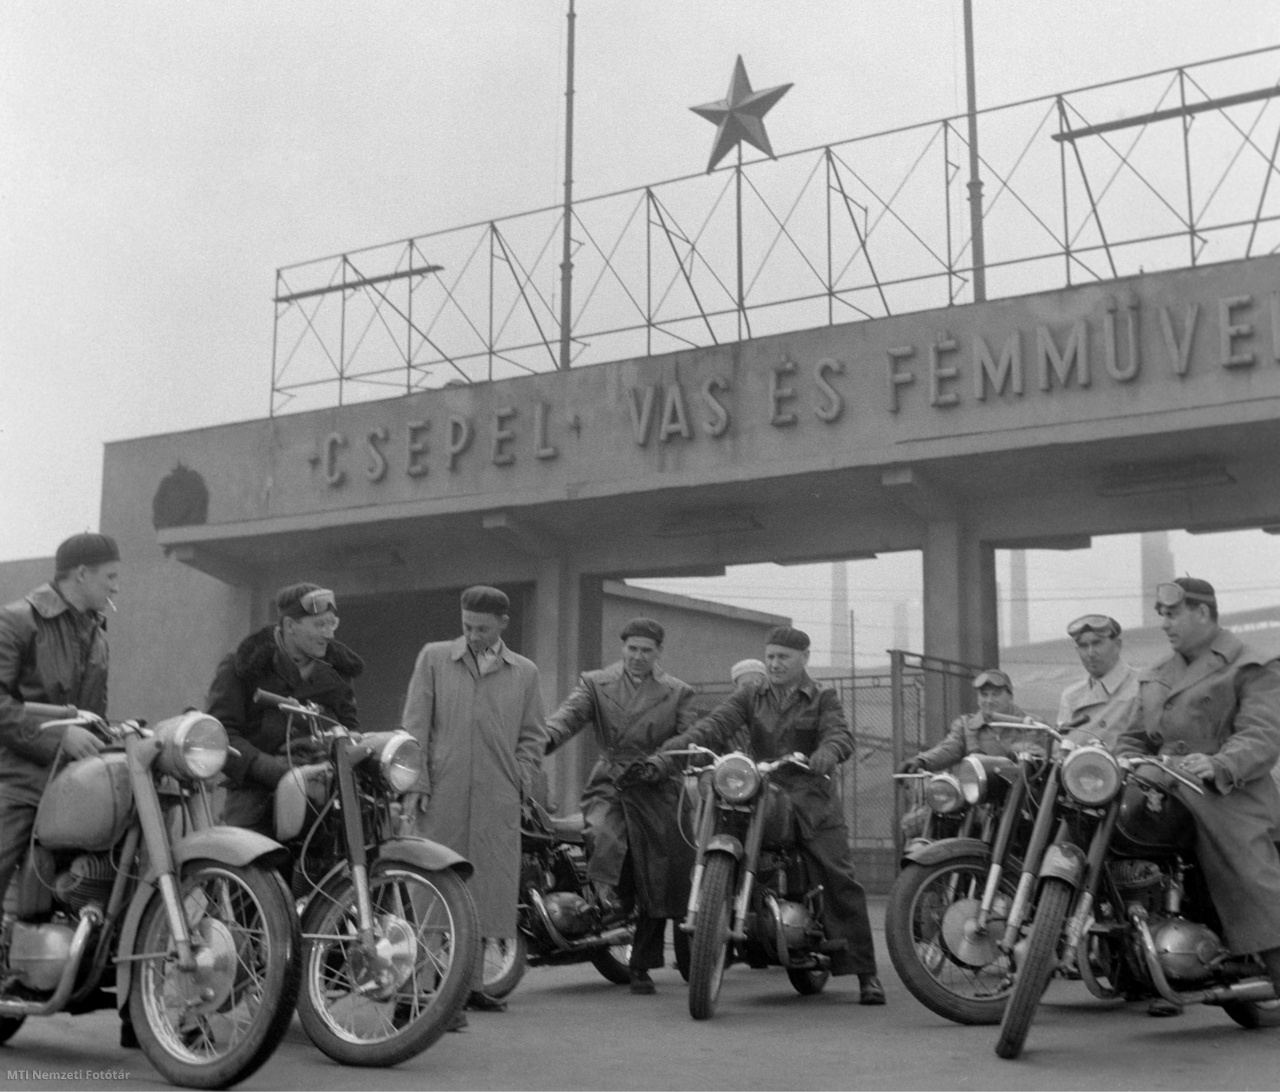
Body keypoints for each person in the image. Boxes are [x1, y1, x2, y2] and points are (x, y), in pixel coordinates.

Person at [659, 625, 886, 1005]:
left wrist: (828, 752)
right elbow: (714, 725)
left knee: (838, 875)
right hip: (759, 787)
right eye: (770, 657)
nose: (775, 664)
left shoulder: (822, 697)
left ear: (804, 659)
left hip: (809, 796)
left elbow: (839, 734)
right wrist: (675, 750)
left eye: (783, 657)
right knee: (712, 828)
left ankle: (866, 973)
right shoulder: (751, 694)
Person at [1115, 577, 1280, 1007]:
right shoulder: (1157, 674)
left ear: (1203, 613)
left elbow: (1263, 734)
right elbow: (1133, 737)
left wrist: (1221, 763)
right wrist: (1118, 758)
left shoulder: (1251, 663)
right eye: (1161, 615)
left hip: (1227, 791)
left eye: (1173, 614)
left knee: (1250, 872)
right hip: (1160, 786)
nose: (1165, 623)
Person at [401, 585, 547, 1018]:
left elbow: (534, 736)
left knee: (485, 888)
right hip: (442, 792)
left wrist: (519, 777)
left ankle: (474, 985)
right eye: (466, 626)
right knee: (432, 888)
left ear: (504, 624)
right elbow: (414, 727)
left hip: (497, 797)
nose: (473, 635)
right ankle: (424, 988)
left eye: (482, 628)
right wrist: (418, 783)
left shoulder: (524, 672)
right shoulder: (434, 658)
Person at [0, 535, 119, 1026]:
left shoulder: (96, 630)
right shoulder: (18, 620)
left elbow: (94, 715)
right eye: (110, 576)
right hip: (18, 774)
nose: (117, 586)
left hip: (68, 780)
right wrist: (58, 741)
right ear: (81, 574)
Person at [543, 617, 696, 995]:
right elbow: (567, 719)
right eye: (632, 649)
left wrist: (662, 762)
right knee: (602, 832)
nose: (638, 657)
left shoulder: (678, 692)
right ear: (622, 648)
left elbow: (689, 739)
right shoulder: (595, 683)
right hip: (611, 780)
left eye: (647, 650)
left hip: (659, 785)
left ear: (659, 652)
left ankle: (645, 964)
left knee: (661, 871)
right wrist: (537, 742)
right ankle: (608, 902)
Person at [207, 583, 360, 835]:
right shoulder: (243, 665)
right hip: (257, 795)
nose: (329, 635)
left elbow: (350, 727)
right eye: (319, 625)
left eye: (332, 624)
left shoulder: (337, 672)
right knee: (248, 862)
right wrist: (272, 770)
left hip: (325, 791)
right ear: (290, 626)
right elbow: (221, 734)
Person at [898, 669, 1028, 774]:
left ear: (1010, 696)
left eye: (995, 694)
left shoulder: (1032, 725)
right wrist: (921, 761)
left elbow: (1038, 762)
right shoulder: (965, 725)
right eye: (984, 694)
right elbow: (948, 749)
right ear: (978, 698)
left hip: (1020, 797)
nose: (989, 700)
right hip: (978, 796)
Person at [1057, 614, 1139, 749]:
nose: (1090, 653)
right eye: (1083, 646)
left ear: (1117, 645)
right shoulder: (1071, 696)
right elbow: (1060, 750)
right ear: (1077, 651)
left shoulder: (1140, 687)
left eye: (1097, 643)